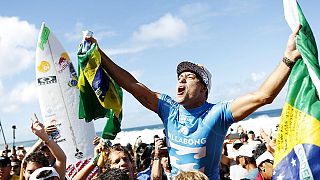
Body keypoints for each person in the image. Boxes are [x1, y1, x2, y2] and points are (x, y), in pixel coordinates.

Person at [85, 25, 301, 179]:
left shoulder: (217, 113)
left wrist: (288, 58)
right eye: (179, 77)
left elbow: (263, 96)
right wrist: (99, 55)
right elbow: (133, 85)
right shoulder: (169, 109)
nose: (181, 79)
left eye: (189, 77)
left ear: (203, 89)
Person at [21, 114, 66, 180]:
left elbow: (61, 159)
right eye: (30, 172)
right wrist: (41, 139)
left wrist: (45, 137)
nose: (35, 175)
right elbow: (24, 161)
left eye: (39, 171)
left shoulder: (53, 177)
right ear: (24, 172)